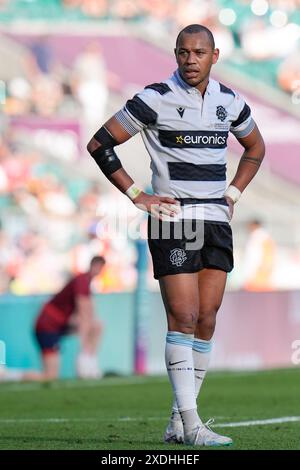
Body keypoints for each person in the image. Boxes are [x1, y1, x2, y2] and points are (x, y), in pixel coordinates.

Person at [87, 24, 265, 447]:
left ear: (214, 56)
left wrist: (234, 191)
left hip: (215, 220)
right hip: (175, 218)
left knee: (206, 319)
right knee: (183, 317)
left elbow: (255, 148)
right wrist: (136, 194)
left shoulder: (229, 101)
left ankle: (177, 424)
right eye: (184, 52)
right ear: (175, 54)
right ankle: (192, 425)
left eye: (199, 53)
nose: (190, 60)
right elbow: (100, 143)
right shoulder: (155, 98)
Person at [35, 255, 105, 380]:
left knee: (96, 325)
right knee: (50, 376)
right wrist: (84, 342)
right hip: (48, 326)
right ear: (93, 265)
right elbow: (83, 311)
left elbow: (89, 311)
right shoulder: (81, 280)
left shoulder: (87, 283)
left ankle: (89, 360)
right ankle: (7, 375)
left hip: (59, 325)